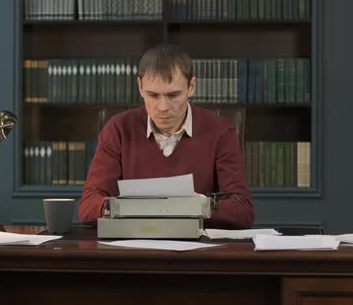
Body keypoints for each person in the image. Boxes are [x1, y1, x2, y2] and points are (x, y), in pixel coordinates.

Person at [79, 44, 254, 229]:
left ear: (191, 87)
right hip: (134, 246)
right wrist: (124, 207)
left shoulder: (220, 131)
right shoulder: (118, 129)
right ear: (140, 87)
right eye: (153, 95)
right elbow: (88, 205)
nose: (162, 107)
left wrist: (201, 207)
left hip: (197, 249)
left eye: (173, 95)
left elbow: (242, 210)